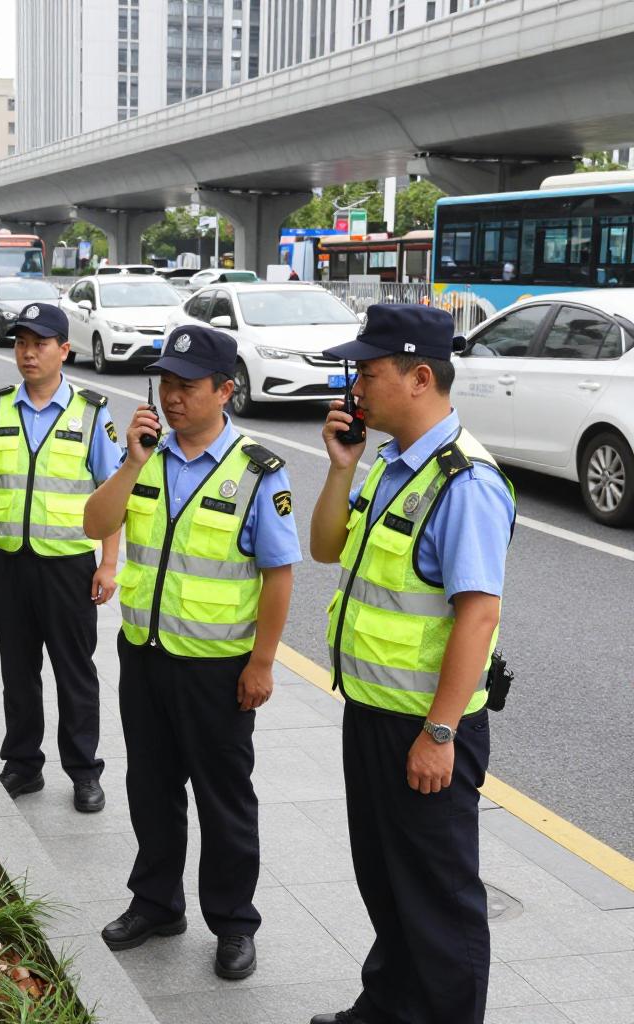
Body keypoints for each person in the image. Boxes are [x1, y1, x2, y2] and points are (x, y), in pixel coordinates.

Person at [307, 304, 515, 1024]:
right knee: (387, 883)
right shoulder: (393, 466)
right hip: (370, 711)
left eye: (367, 372)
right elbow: (327, 549)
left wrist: (439, 733)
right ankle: (389, 1005)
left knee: (440, 901)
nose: (354, 386)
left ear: (419, 376)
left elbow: (478, 615)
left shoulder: (467, 483)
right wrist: (341, 470)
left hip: (423, 729)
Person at [84, 325, 299, 980]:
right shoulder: (146, 458)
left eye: (188, 385)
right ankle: (156, 902)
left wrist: (262, 663)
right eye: (166, 384)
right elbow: (95, 525)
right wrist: (131, 462)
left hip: (217, 669)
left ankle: (234, 922)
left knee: (223, 798)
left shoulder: (258, 471)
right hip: (144, 656)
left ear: (224, 390)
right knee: (150, 787)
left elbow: (279, 574)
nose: (173, 397)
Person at [0, 303, 121, 814]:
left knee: (75, 672)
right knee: (17, 670)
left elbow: (113, 493)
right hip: (7, 562)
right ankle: (24, 764)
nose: (28, 353)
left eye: (41, 343)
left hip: (69, 566)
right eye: (21, 342)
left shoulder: (92, 413)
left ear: (63, 350)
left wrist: (108, 563)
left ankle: (84, 772)